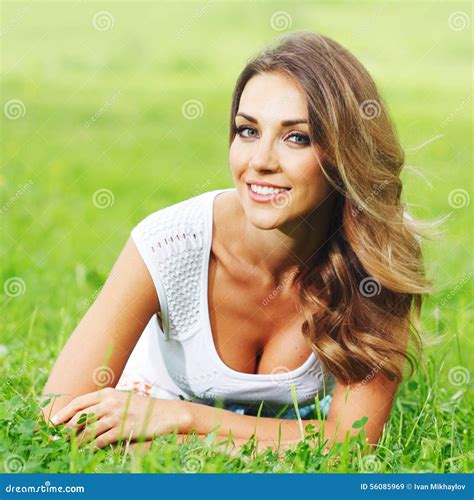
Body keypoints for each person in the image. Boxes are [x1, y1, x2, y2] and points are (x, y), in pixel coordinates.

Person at [40, 30, 431, 454]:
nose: (260, 161)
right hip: (143, 403)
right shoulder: (169, 244)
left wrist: (184, 420)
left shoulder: (378, 252)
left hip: (161, 419)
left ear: (343, 153)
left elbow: (351, 443)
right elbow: (58, 415)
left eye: (296, 137)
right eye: (247, 131)